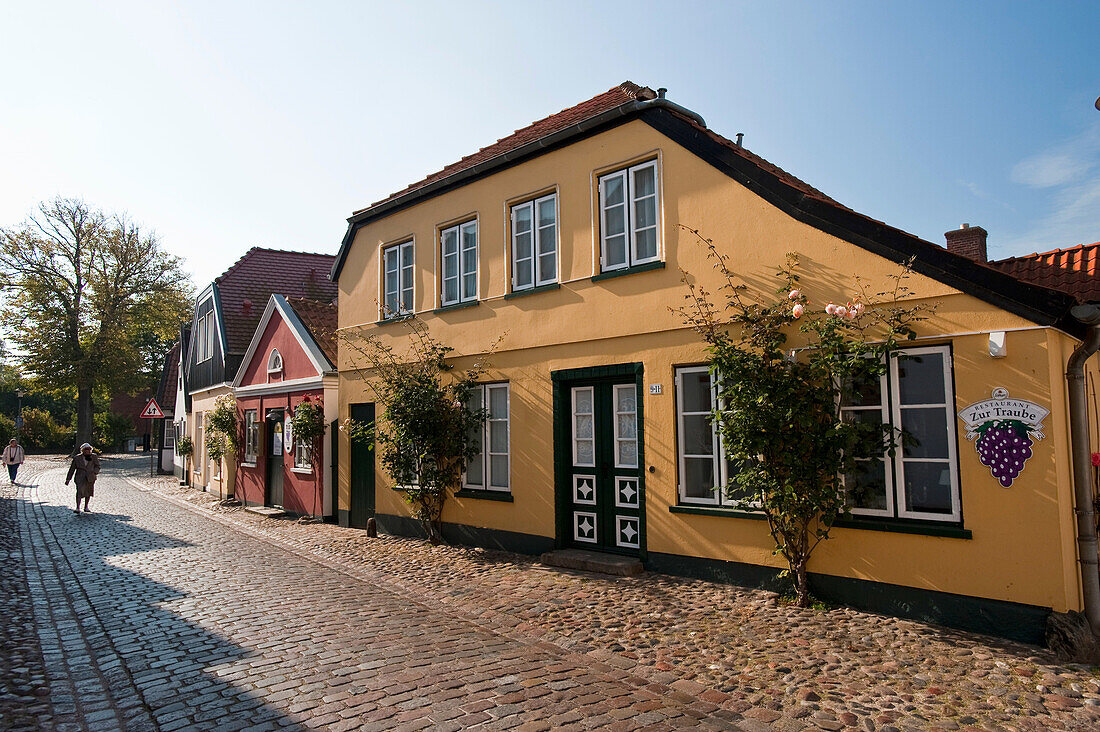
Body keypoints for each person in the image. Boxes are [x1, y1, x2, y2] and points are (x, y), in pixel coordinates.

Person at [65, 443, 101, 514]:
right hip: (80, 477)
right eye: (86, 449)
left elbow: (97, 466)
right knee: (79, 491)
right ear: (83, 450)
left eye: (89, 449)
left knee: (88, 492)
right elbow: (72, 469)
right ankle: (78, 507)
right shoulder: (77, 458)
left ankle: (86, 506)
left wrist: (94, 472)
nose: (88, 451)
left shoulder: (94, 457)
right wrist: (68, 479)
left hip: (90, 477)